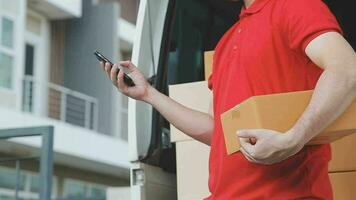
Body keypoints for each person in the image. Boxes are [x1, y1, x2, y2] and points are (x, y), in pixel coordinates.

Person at [100, 0, 356, 199]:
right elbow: (217, 132)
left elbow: (346, 68)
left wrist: (293, 139)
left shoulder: (294, 6)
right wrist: (148, 94)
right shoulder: (225, 43)